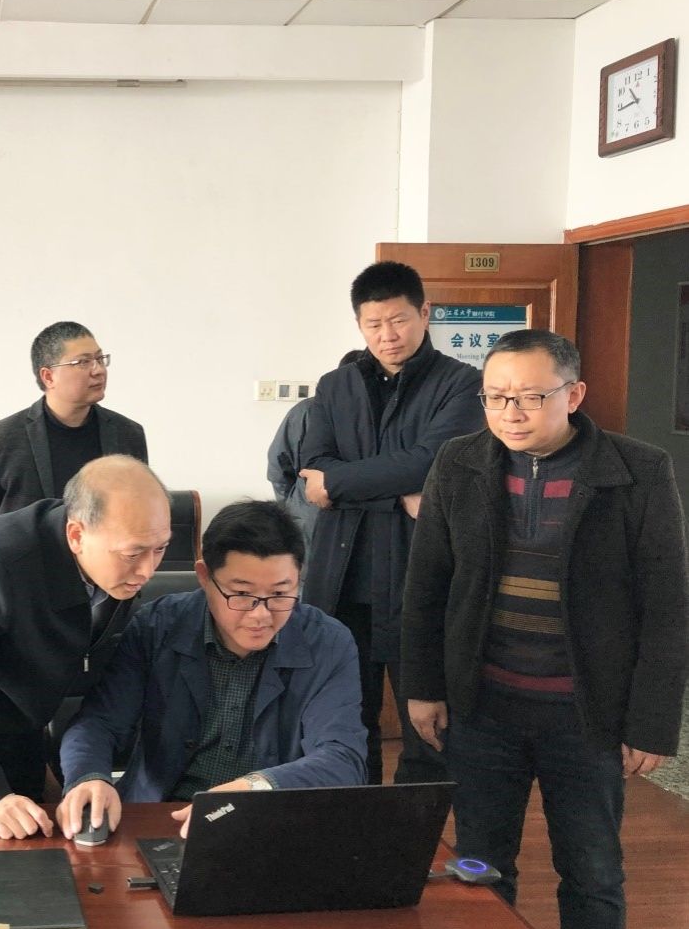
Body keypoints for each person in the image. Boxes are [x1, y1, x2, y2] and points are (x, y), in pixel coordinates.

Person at [401, 329, 688, 929]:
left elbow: (667, 607)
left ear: (574, 395)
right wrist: (422, 689)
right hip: (484, 709)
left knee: (593, 872)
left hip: (585, 717)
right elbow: (426, 587)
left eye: (531, 396)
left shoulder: (637, 470)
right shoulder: (458, 462)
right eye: (495, 396)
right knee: (480, 867)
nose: (511, 412)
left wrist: (651, 722)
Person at [0, 455, 171, 838]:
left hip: (22, 711)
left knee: (30, 837)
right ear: (76, 535)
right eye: (133, 554)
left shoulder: (116, 559)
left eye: (160, 549)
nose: (148, 571)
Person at [57, 500, 366, 840]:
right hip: (163, 817)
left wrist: (256, 787)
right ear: (205, 576)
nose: (260, 615)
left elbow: (343, 757)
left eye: (280, 593)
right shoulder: (157, 627)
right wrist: (88, 776)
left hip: (271, 821)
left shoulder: (327, 642)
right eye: (242, 594)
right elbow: (99, 722)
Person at [299, 261, 483, 784]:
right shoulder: (335, 385)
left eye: (399, 320)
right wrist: (398, 492)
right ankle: (356, 827)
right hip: (342, 580)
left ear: (425, 313)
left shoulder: (462, 384)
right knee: (344, 725)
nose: (387, 335)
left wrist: (345, 486)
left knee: (428, 726)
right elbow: (313, 466)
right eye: (373, 324)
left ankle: (413, 829)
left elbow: (432, 462)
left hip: (418, 579)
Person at [0, 321, 148, 528]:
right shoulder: (1, 438)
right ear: (48, 376)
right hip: (28, 549)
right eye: (83, 362)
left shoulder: (128, 433)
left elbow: (139, 507)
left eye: (100, 359)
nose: (98, 370)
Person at [267, 349, 362, 550]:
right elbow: (280, 467)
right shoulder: (307, 411)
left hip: (356, 521)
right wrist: (294, 508)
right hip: (310, 521)